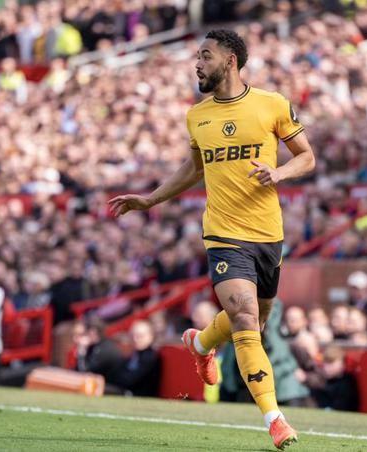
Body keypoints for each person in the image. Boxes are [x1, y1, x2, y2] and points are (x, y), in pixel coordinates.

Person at [109, 29, 316, 448]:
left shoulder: (272, 104)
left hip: (267, 234)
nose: (198, 64)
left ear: (230, 61)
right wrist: (151, 199)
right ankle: (275, 420)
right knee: (244, 318)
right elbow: (194, 168)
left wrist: (278, 173)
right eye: (197, 57)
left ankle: (201, 342)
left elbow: (307, 157)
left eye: (205, 56)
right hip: (223, 233)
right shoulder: (197, 116)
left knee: (258, 320)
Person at [107, 320, 161, 397]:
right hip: (124, 389)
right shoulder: (135, 354)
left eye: (140, 336)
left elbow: (130, 380)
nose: (135, 339)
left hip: (138, 395)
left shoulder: (150, 356)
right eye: (133, 336)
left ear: (151, 337)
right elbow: (116, 373)